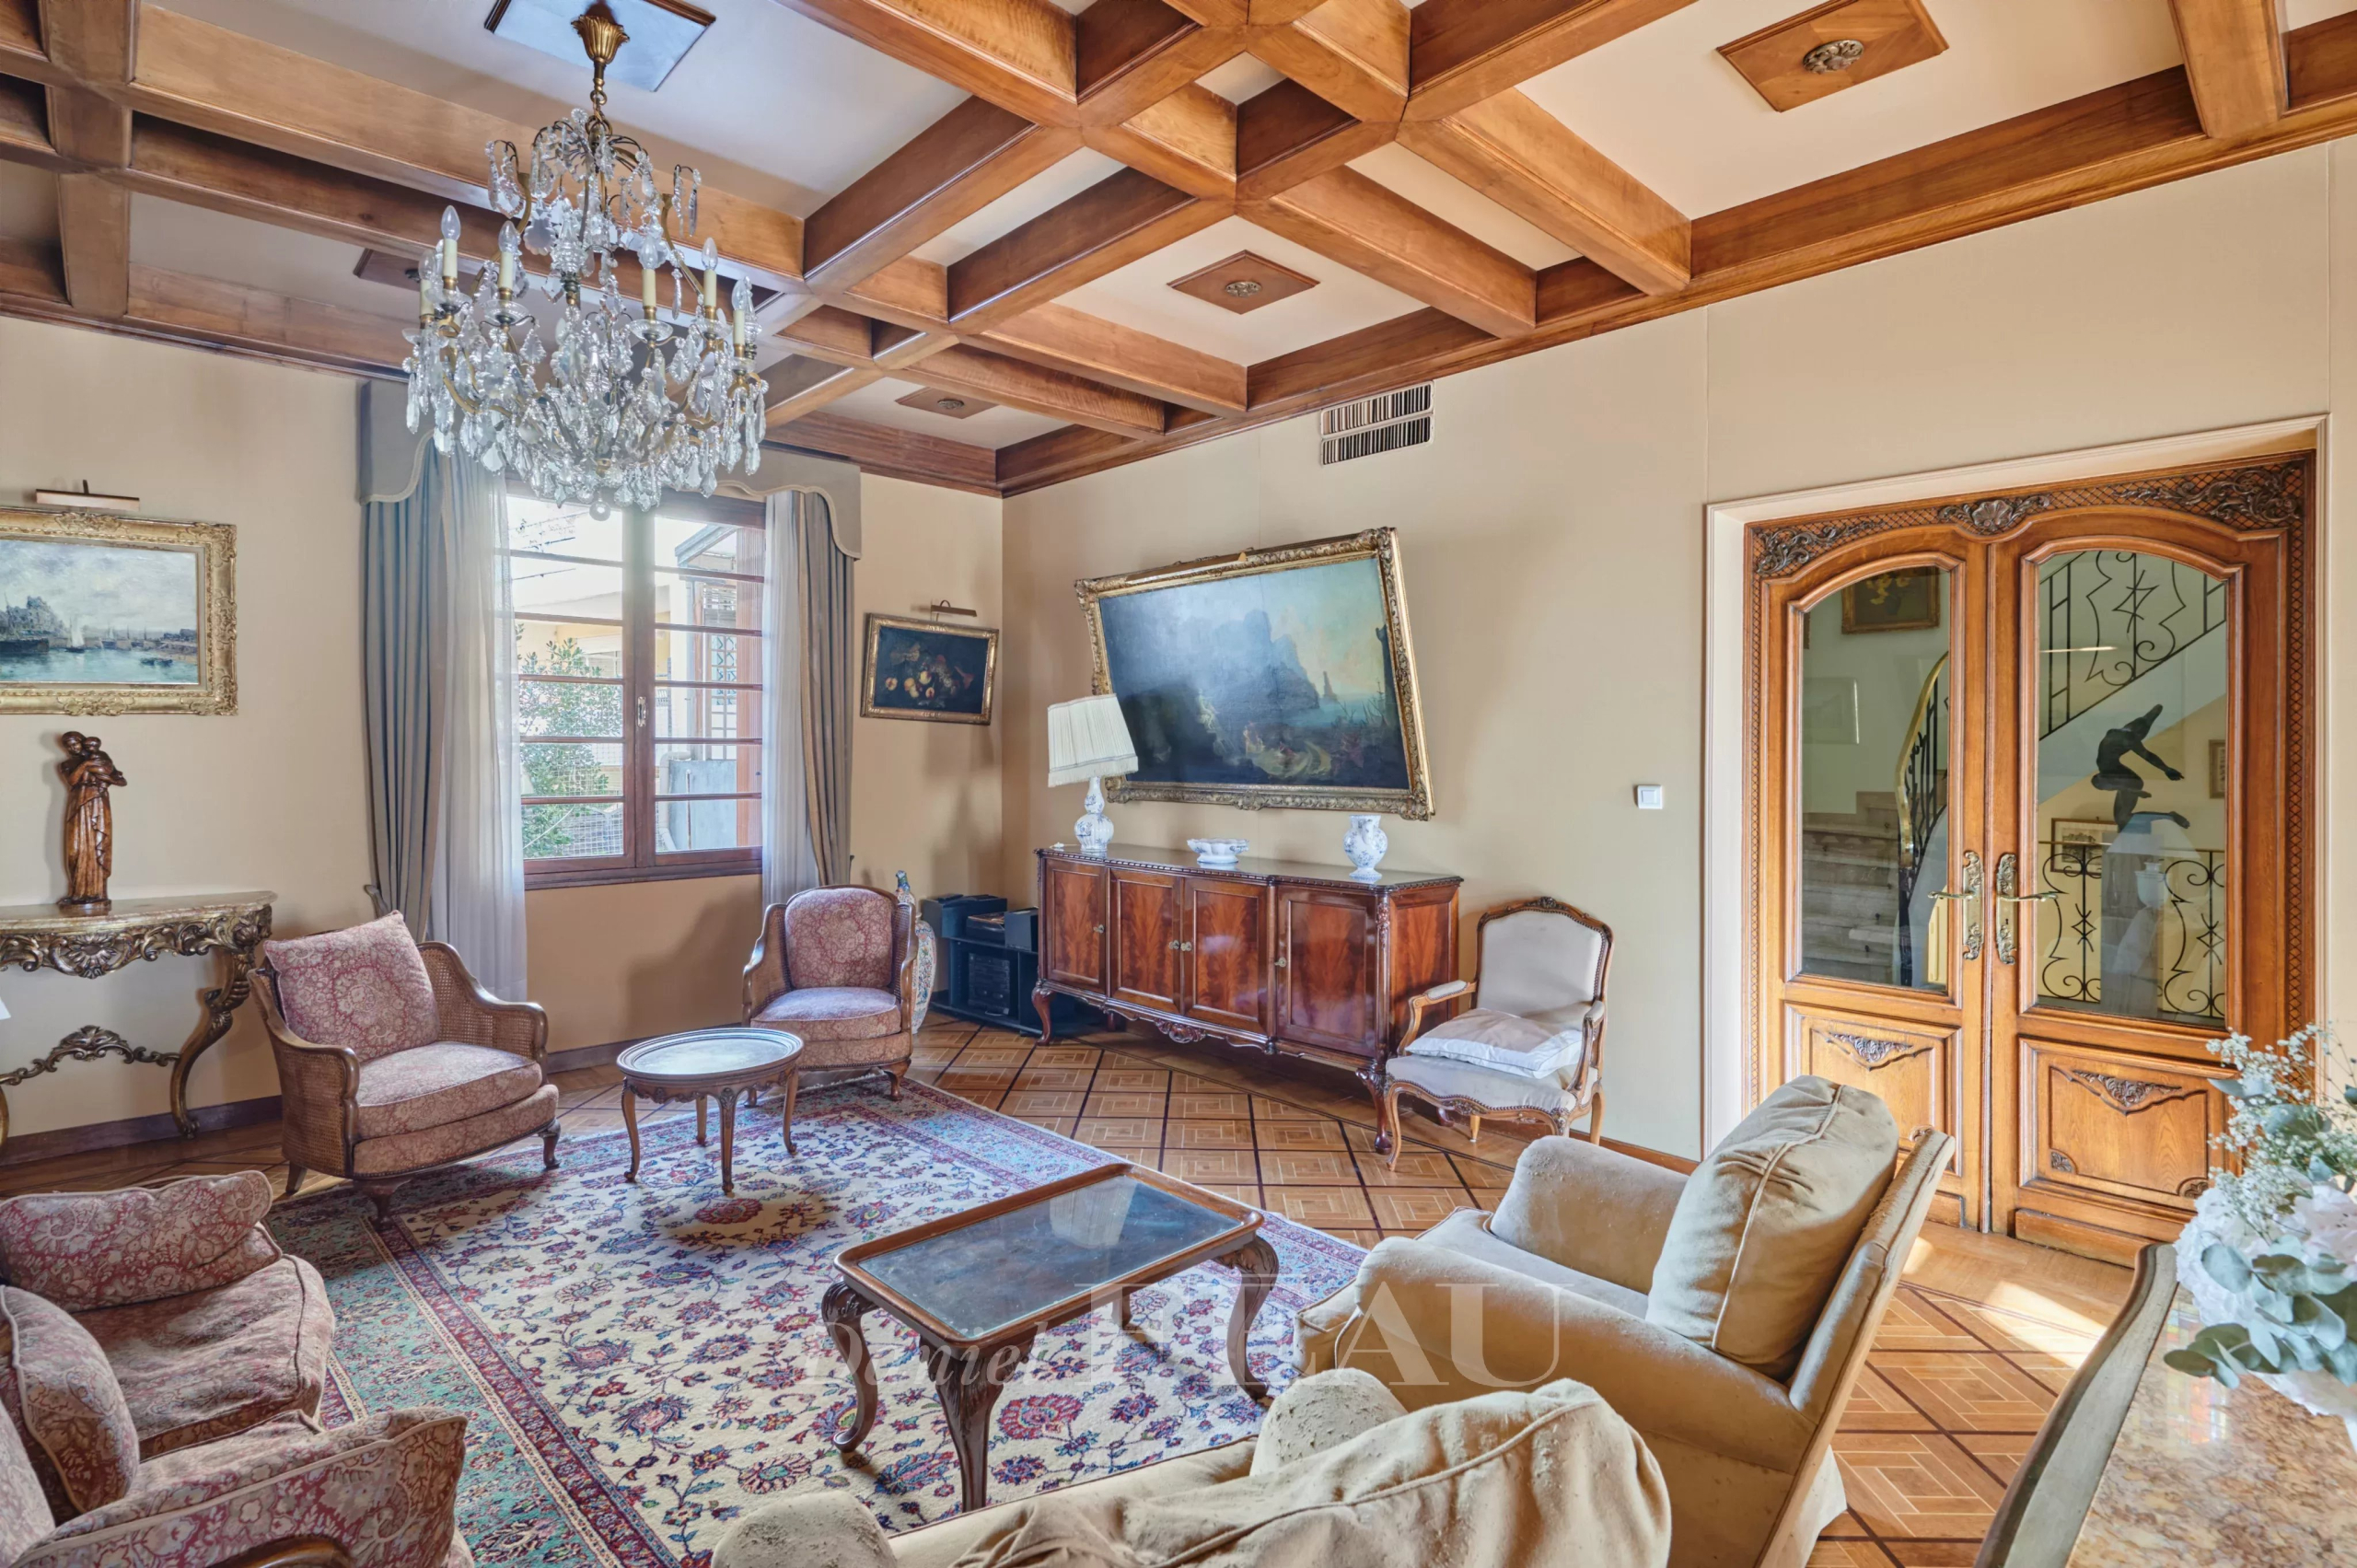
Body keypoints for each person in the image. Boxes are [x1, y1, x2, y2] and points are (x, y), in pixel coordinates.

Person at [56, 730, 126, 912]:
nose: (72, 748)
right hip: (77, 804)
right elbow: (72, 781)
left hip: (98, 802)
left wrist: (105, 775)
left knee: (97, 844)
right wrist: (86, 764)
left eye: (75, 743)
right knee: (75, 849)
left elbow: (118, 778)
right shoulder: (66, 764)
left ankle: (98, 893)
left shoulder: (101, 758)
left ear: (82, 742)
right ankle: (77, 893)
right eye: (68, 745)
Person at [2089, 705, 2187, 832]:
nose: (2140, 741)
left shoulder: (2122, 730)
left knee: (2122, 818)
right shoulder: (2129, 738)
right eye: (2140, 738)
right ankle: (2168, 816)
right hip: (2122, 779)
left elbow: (2148, 719)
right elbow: (2147, 755)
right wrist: (2166, 769)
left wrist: (2166, 769)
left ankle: (2169, 817)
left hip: (2125, 779)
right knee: (2121, 818)